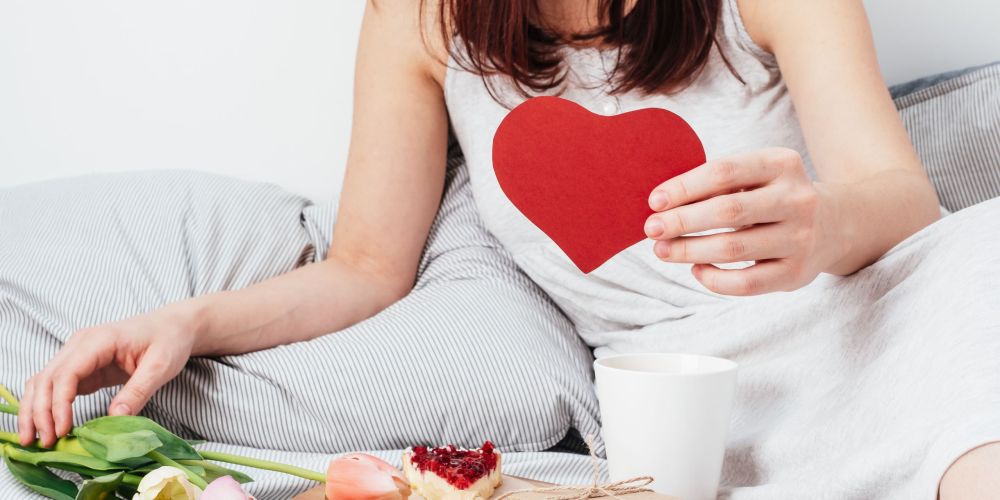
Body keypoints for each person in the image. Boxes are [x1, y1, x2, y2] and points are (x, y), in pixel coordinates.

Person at [16, 1, 999, 497]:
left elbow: (904, 204)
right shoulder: (421, 19)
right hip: (690, 390)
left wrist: (820, 223)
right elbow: (365, 266)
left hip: (880, 319)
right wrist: (188, 318)